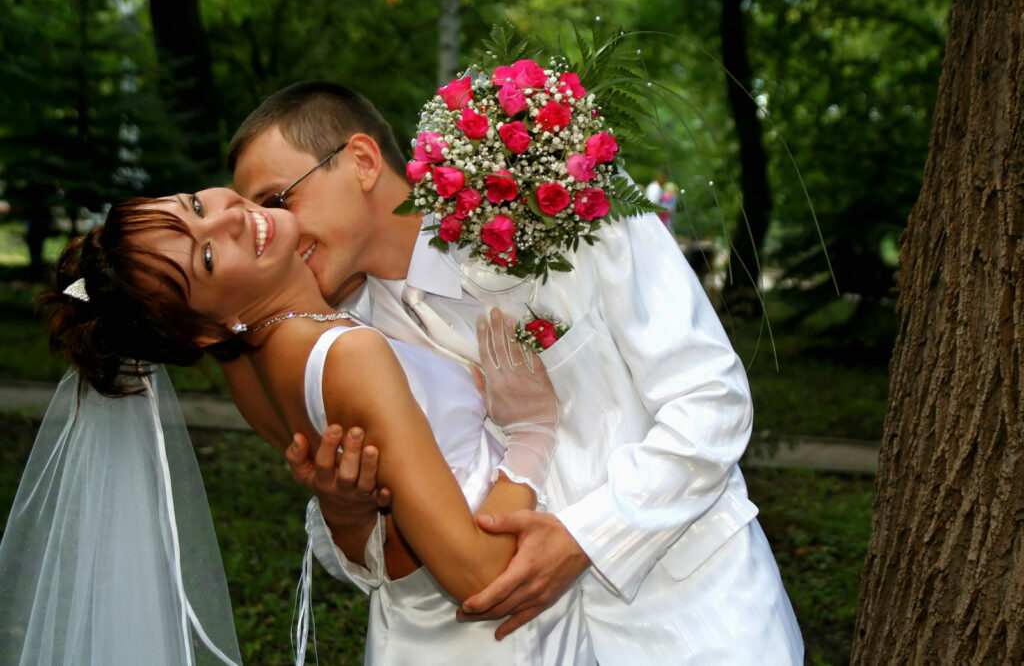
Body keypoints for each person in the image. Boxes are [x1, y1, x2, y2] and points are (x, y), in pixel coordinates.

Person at [228, 81, 804, 663]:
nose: (274, 232)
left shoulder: (555, 179)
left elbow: (711, 399)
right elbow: (387, 573)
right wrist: (350, 519)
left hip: (696, 618)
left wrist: (589, 537)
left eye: (278, 200)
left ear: (361, 161)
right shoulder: (339, 343)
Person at [6, 189, 593, 664]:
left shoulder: (256, 365)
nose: (233, 217)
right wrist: (533, 432)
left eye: (196, 205)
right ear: (206, 330)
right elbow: (481, 576)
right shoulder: (348, 356)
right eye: (207, 258)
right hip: (510, 642)